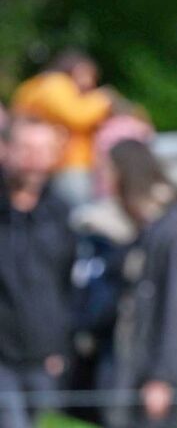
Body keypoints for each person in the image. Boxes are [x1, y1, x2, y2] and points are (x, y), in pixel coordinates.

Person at [102, 140, 177, 428]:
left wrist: (163, 377)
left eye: (108, 174)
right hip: (141, 367)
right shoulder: (154, 226)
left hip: (161, 377)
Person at [0, 117, 76, 428]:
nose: (35, 159)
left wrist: (60, 346)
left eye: (44, 150)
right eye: (27, 149)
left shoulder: (61, 212)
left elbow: (69, 284)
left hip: (44, 354)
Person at [11, 50, 112, 207]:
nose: (90, 82)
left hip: (54, 163)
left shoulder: (36, 85)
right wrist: (103, 100)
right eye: (86, 74)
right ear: (73, 69)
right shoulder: (56, 83)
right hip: (70, 164)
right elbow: (77, 116)